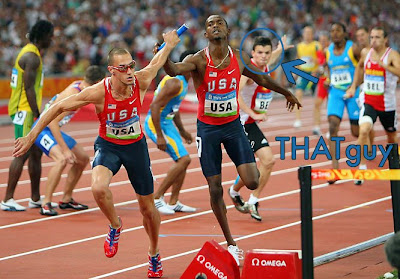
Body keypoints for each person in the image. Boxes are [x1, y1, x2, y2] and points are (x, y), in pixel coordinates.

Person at [13, 30, 181, 278]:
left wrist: (169, 44)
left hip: (135, 147)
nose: (130, 72)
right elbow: (57, 107)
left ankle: (154, 254)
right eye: (123, 68)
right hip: (108, 145)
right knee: (98, 188)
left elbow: (157, 61)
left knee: (147, 208)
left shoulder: (141, 80)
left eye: (132, 65)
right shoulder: (98, 92)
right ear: (112, 70)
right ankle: (115, 225)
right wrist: (30, 136)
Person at [162, 15, 301, 265]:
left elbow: (262, 78)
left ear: (228, 29)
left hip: (233, 126)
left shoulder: (238, 57)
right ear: (206, 34)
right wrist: (166, 50)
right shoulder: (197, 60)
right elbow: (173, 69)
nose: (215, 26)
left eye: (220, 23)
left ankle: (235, 193)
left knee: (252, 180)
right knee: (213, 187)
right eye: (210, 24)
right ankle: (231, 242)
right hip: (208, 129)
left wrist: (286, 92)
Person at [228, 36, 293, 222]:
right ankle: (235, 192)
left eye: (266, 53)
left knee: (267, 162)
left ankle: (251, 199)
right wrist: (254, 113)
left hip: (250, 123)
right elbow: (236, 96)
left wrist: (281, 48)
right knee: (256, 169)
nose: (264, 57)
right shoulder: (248, 72)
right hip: (238, 124)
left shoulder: (265, 63)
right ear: (253, 54)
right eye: (260, 53)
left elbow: (273, 57)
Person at [34, 66, 105, 216]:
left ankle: (66, 199)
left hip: (52, 128)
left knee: (83, 158)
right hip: (43, 128)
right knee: (61, 159)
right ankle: (46, 203)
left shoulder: (82, 86)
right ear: (98, 81)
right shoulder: (74, 94)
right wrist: (65, 150)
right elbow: (52, 122)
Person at [1, 20, 54, 211]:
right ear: (43, 36)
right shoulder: (32, 57)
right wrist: (38, 114)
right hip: (25, 110)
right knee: (22, 152)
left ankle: (35, 198)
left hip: (23, 109)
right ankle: (7, 199)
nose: (52, 39)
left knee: (36, 152)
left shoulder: (29, 51)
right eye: (51, 35)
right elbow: (29, 88)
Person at [144, 50, 197, 215]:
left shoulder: (184, 81)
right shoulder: (175, 82)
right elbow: (154, 106)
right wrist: (159, 135)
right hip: (156, 124)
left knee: (184, 160)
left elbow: (173, 108)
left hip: (167, 122)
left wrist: (182, 131)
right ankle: (156, 197)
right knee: (184, 159)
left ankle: (174, 202)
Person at [346, 26, 400, 185]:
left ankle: (394, 166)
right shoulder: (365, 52)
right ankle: (361, 168)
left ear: (385, 39)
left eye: (377, 37)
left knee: (391, 137)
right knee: (363, 130)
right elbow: (359, 66)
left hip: (386, 105)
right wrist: (353, 86)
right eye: (372, 37)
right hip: (368, 101)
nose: (373, 40)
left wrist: (383, 65)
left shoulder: (392, 55)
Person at [325, 22, 361, 182]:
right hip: (336, 93)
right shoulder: (328, 51)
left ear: (344, 33)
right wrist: (326, 78)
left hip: (353, 92)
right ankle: (335, 169)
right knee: (333, 126)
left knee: (356, 131)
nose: (335, 34)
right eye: (332, 31)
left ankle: (368, 139)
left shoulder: (353, 49)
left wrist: (357, 85)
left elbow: (363, 67)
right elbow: (328, 68)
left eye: (338, 30)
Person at [293, 26, 321, 128]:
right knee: (298, 93)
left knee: (317, 99)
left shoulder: (316, 45)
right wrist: (295, 72)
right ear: (303, 34)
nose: (307, 35)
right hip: (303, 73)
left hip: (314, 74)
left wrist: (316, 63)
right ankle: (298, 119)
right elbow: (297, 58)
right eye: (306, 33)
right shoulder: (299, 46)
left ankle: (317, 125)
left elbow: (321, 59)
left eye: (309, 33)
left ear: (312, 34)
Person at [312, 32, 330, 136]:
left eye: (324, 40)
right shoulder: (318, 53)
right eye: (321, 41)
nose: (322, 42)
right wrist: (316, 71)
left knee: (330, 106)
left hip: (331, 82)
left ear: (328, 41)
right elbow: (319, 67)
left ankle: (330, 129)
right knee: (317, 104)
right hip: (322, 81)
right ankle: (317, 127)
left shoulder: (331, 52)